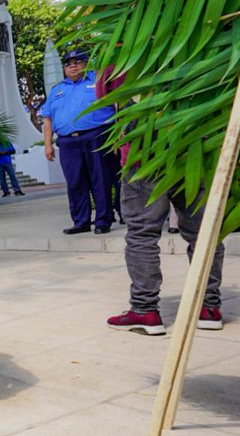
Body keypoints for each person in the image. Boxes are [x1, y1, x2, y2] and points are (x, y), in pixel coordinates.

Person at [107, 142, 225, 335]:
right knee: (203, 232)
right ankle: (209, 308)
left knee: (142, 233)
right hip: (192, 151)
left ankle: (144, 310)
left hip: (145, 155)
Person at [41, 50, 115, 234]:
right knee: (75, 182)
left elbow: (116, 105)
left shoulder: (98, 81)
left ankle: (103, 220)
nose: (72, 66)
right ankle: (81, 221)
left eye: (77, 61)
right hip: (68, 142)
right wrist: (48, 144)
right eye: (68, 63)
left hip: (96, 135)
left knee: (100, 178)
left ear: (86, 63)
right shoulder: (57, 90)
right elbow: (47, 118)